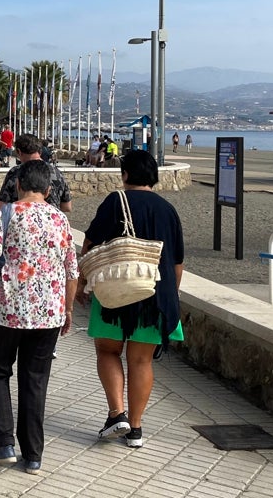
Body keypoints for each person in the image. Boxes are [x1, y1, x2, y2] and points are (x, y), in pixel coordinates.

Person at [78, 149, 185, 450]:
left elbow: (90, 244)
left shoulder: (116, 201)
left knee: (108, 351)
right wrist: (171, 298)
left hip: (115, 292)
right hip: (155, 296)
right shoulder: (167, 210)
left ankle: (116, 414)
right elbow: (177, 261)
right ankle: (135, 429)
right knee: (141, 360)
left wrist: (81, 283)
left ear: (125, 174)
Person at [0, 160, 77, 474]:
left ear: (19, 186)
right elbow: (72, 269)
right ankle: (33, 455)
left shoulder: (6, 214)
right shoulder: (60, 219)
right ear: (49, 191)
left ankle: (4, 444)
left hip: (4, 310)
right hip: (48, 313)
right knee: (35, 381)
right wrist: (68, 309)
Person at [0, 133, 73, 215]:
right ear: (40, 151)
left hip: (21, 222)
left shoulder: (15, 172)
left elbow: (0, 206)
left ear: (19, 152)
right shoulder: (57, 173)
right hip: (51, 223)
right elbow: (67, 206)